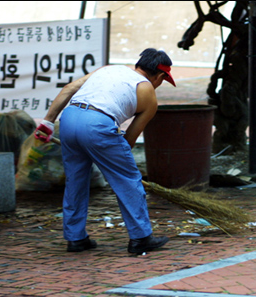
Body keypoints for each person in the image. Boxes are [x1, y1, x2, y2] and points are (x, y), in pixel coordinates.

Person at [34, 48, 176, 254]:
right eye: (163, 80)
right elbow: (129, 141)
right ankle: (141, 238)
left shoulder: (109, 69)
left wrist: (47, 122)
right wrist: (112, 161)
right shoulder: (147, 91)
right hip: (97, 124)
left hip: (69, 118)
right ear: (160, 75)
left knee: (75, 180)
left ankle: (76, 239)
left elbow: (69, 88)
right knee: (128, 179)